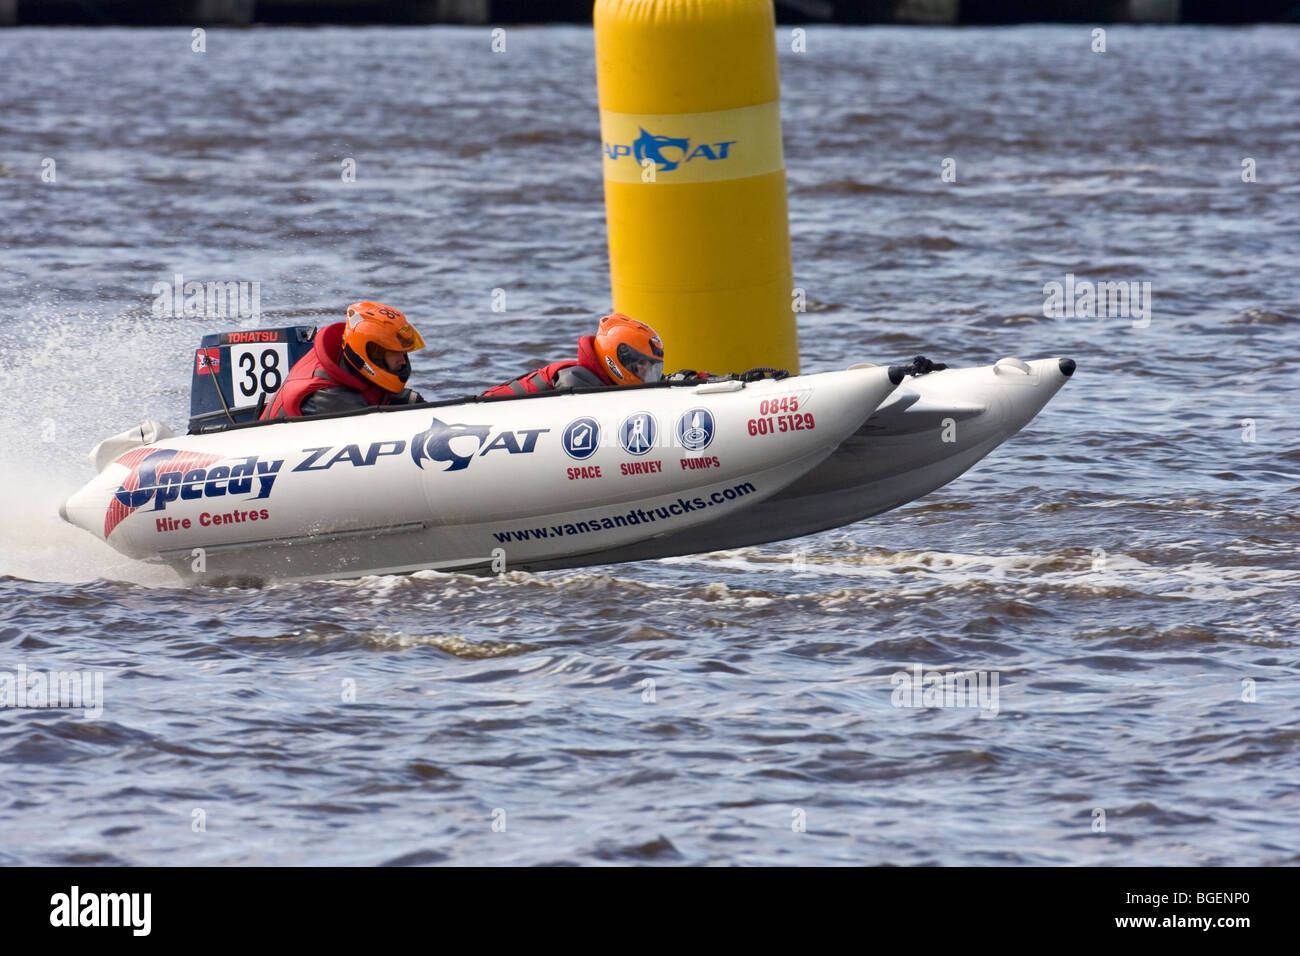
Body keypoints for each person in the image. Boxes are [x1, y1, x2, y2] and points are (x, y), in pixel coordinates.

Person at [262, 301, 426, 419]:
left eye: (403, 353)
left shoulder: (345, 360)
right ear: (371, 354)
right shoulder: (330, 397)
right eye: (394, 353)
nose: (403, 361)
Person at [483, 312, 664, 397]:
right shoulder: (576, 381)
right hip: (488, 413)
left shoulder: (601, 380)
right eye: (643, 365)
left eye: (652, 367)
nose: (647, 372)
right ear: (618, 360)